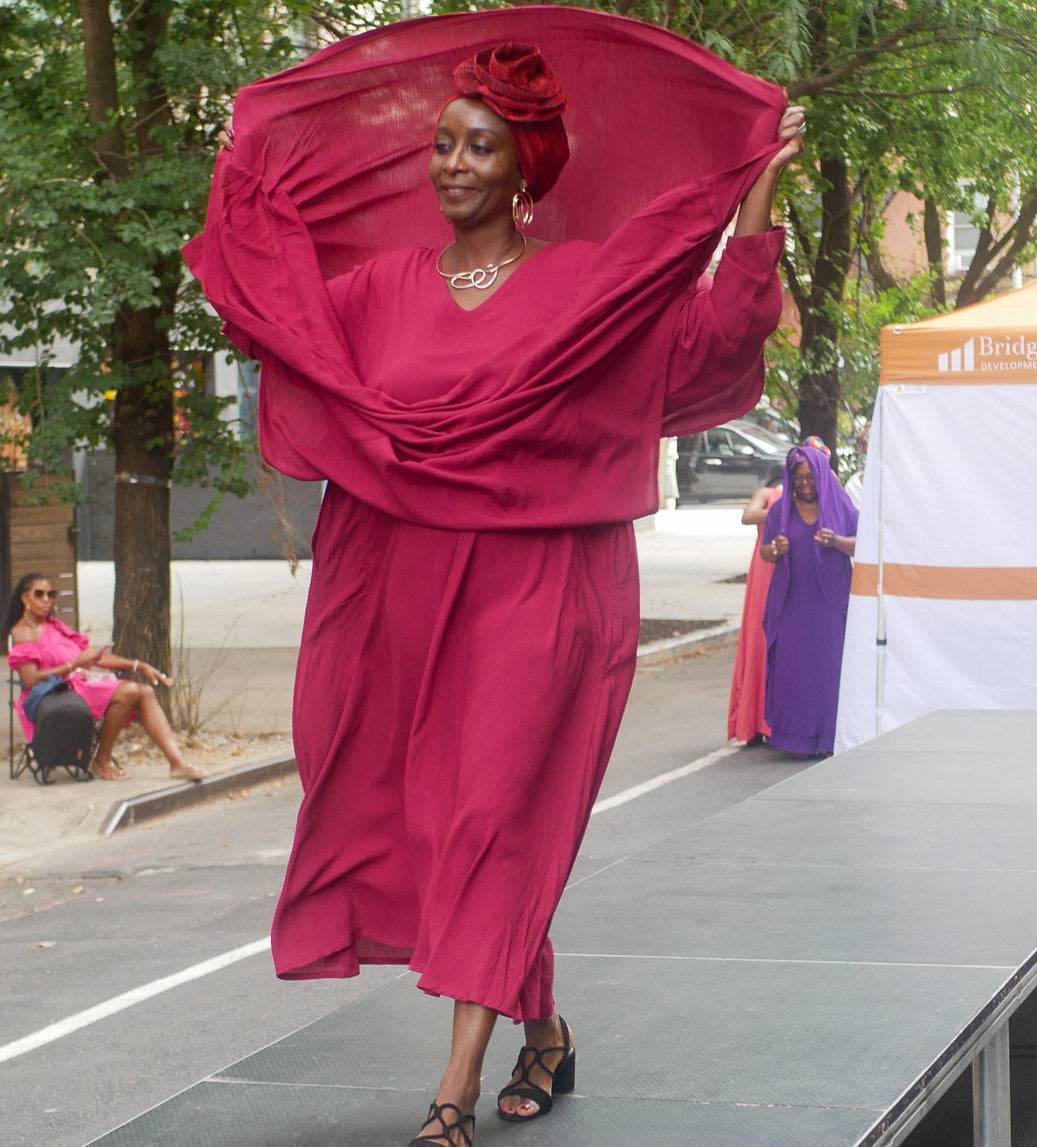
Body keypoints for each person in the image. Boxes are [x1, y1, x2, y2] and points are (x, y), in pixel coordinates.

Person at [186, 12, 803, 1146]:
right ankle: (547, 1029)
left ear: (526, 167)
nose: (451, 164)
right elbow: (286, 327)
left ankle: (450, 1095)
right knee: (445, 818)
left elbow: (707, 341)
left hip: (542, 586)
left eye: (477, 146)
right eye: (441, 144)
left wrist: (753, 189)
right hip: (405, 585)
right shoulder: (376, 290)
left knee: (496, 809)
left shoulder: (581, 288)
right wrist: (242, 183)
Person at [5, 573, 206, 782]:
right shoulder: (22, 632)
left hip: (81, 684)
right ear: (24, 597)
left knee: (144, 691)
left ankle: (177, 764)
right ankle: (102, 760)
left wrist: (139, 665)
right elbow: (30, 680)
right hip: (54, 693)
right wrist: (73, 665)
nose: (47, 599)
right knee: (131, 692)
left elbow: (95, 658)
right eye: (39, 594)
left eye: (51, 594)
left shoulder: (55, 626)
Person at [760, 443, 858, 757]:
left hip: (830, 601)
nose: (804, 484)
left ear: (821, 475)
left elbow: (861, 544)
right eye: (798, 478)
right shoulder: (780, 510)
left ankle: (830, 737)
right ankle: (795, 740)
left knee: (829, 671)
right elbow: (766, 551)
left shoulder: (839, 502)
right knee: (794, 671)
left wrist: (837, 541)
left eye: (810, 477)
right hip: (792, 602)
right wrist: (776, 549)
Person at [727, 479, 783, 743]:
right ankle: (753, 720)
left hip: (789, 569)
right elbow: (748, 516)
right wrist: (786, 506)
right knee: (759, 639)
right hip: (764, 570)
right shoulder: (768, 494)